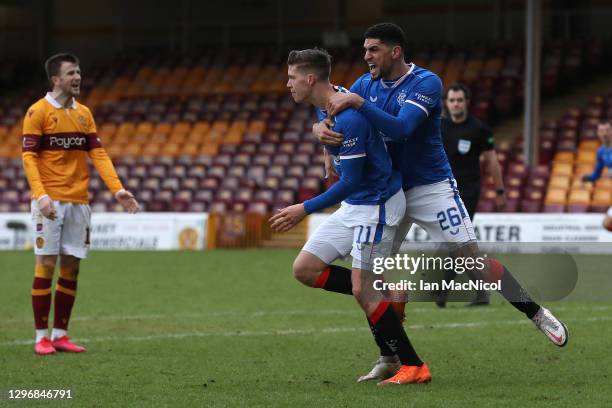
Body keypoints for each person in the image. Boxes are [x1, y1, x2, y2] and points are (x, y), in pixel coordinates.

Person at [313, 23, 569, 373]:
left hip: (432, 188)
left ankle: (536, 313)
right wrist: (320, 129)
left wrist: (357, 101)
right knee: (368, 280)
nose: (366, 56)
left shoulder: (426, 83)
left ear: (395, 51)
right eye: (365, 49)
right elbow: (332, 107)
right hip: (390, 190)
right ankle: (390, 357)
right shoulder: (364, 84)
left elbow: (402, 128)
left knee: (474, 265)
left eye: (373, 49)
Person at [270, 48, 431, 385]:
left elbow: (352, 181)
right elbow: (333, 145)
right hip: (357, 204)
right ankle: (389, 295)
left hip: (377, 204)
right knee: (305, 269)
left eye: (291, 77)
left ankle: (413, 366)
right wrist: (320, 136)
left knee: (363, 288)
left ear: (310, 79)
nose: (287, 84)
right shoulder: (327, 103)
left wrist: (304, 208)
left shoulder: (350, 117)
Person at [22, 52, 140, 355]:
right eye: (72, 73)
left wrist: (117, 189)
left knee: (71, 268)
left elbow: (98, 155)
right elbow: (29, 158)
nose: (78, 77)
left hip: (79, 201)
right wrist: (41, 194)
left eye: (79, 72)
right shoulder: (37, 112)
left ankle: (60, 334)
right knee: (46, 265)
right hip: (49, 201)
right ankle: (40, 337)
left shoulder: (85, 113)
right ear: (56, 79)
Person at [436, 83, 507, 306]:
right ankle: (478, 292)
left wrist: (500, 190)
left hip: (467, 192)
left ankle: (443, 291)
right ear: (446, 103)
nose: (456, 104)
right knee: (457, 244)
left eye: (459, 100)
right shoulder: (438, 127)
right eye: (452, 100)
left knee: (456, 242)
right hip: (441, 191)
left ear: (467, 103)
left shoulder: (480, 130)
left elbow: (492, 162)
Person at [582, 121, 612, 231]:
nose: (604, 134)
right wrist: (588, 178)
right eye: (601, 131)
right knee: (606, 224)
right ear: (598, 133)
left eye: (607, 130)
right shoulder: (601, 151)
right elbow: (597, 174)